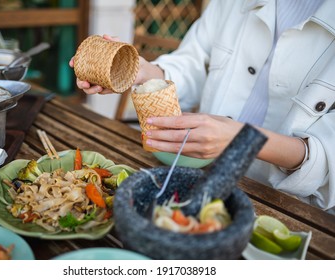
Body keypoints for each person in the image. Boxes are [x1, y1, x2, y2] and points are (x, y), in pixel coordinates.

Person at [70, 0, 335, 214]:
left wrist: (241, 140)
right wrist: (138, 71)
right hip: (200, 176)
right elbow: (192, 63)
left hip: (291, 206)